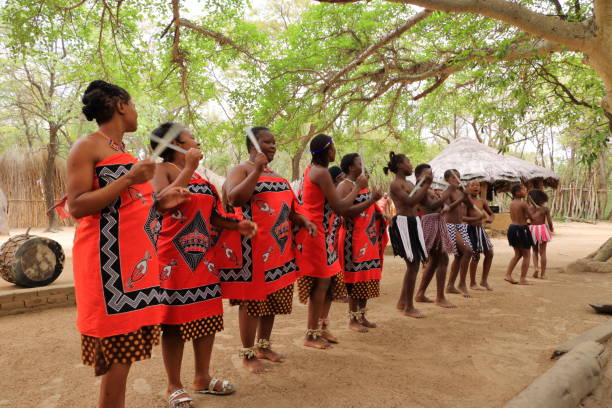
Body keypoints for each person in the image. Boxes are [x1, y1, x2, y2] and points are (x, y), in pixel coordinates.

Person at [67, 80, 190, 408]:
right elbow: (76, 206)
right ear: (120, 105)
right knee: (117, 362)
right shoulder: (87, 146)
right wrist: (131, 179)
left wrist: (161, 204)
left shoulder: (121, 153)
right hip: (107, 271)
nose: (136, 112)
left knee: (123, 361)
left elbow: (127, 207)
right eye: (133, 104)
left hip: (133, 271)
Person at [151, 123, 257, 405]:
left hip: (203, 259)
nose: (196, 142)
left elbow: (212, 216)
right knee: (174, 323)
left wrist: (237, 226)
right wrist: (187, 168)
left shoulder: (200, 178)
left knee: (206, 319)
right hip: (173, 258)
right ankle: (173, 384)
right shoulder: (161, 171)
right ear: (174, 146)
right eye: (191, 139)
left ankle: (202, 377)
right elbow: (163, 203)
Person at [222, 127, 316, 372]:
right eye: (268, 142)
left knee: (272, 301)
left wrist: (302, 220)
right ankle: (247, 353)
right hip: (252, 250)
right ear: (253, 146)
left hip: (279, 250)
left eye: (275, 142)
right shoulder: (240, 169)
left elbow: (288, 208)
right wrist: (255, 169)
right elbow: (234, 198)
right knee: (252, 302)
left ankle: (264, 346)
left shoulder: (277, 176)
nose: (274, 146)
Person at [295, 133, 370, 349]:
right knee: (321, 284)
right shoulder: (321, 173)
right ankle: (310, 335)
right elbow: (340, 207)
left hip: (322, 234)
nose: (335, 151)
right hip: (315, 233)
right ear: (328, 151)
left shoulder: (314, 170)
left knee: (328, 284)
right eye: (333, 148)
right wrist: (357, 186)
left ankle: (321, 326)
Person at [337, 153, 385, 332]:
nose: (363, 167)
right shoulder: (344, 186)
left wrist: (379, 212)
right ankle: (353, 319)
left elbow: (368, 208)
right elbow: (346, 211)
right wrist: (371, 199)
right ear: (351, 167)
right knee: (354, 279)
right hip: (353, 240)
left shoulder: (362, 185)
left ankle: (362, 316)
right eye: (359, 163)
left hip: (368, 239)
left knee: (365, 277)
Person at [386, 152, 432, 318]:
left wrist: (427, 188)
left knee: (414, 264)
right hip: (403, 224)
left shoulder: (410, 183)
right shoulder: (395, 184)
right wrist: (425, 185)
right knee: (413, 264)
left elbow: (422, 202)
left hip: (413, 223)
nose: (411, 165)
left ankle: (402, 302)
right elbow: (410, 201)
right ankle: (409, 307)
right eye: (408, 161)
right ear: (399, 165)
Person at [414, 164, 457, 308]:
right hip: (431, 222)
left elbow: (439, 205)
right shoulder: (420, 190)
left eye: (431, 173)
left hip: (436, 221)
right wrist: (449, 190)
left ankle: (420, 293)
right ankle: (440, 297)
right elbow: (432, 205)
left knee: (435, 261)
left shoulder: (428, 189)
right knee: (442, 259)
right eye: (427, 174)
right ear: (418, 176)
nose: (431, 176)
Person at [443, 170, 475, 298]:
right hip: (449, 225)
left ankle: (450, 285)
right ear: (447, 179)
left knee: (459, 255)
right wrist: (462, 198)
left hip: (460, 225)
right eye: (454, 177)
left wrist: (466, 196)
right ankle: (462, 283)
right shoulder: (447, 191)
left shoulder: (460, 192)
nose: (457, 179)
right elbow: (447, 208)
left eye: (459, 177)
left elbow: (470, 207)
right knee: (468, 250)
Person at [463, 180, 495, 291]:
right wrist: (476, 218)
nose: (476, 187)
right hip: (469, 229)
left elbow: (491, 214)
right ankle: (472, 283)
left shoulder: (482, 201)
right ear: (467, 187)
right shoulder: (465, 201)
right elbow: (463, 218)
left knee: (490, 253)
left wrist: (490, 219)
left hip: (480, 230)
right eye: (473, 185)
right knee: (475, 255)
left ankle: (484, 280)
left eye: (478, 185)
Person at [505, 184, 534, 285]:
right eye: (524, 190)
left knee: (518, 254)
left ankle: (508, 275)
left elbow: (519, 216)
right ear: (517, 192)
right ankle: (523, 278)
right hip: (521, 229)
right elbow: (532, 217)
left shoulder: (512, 203)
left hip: (512, 228)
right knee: (527, 254)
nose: (526, 191)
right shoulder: (523, 204)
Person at [528, 189, 553, 279]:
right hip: (542, 229)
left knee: (534, 250)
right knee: (543, 252)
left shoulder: (528, 208)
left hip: (532, 229)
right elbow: (549, 221)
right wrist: (551, 229)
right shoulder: (545, 209)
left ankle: (535, 268)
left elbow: (527, 219)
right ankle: (543, 274)